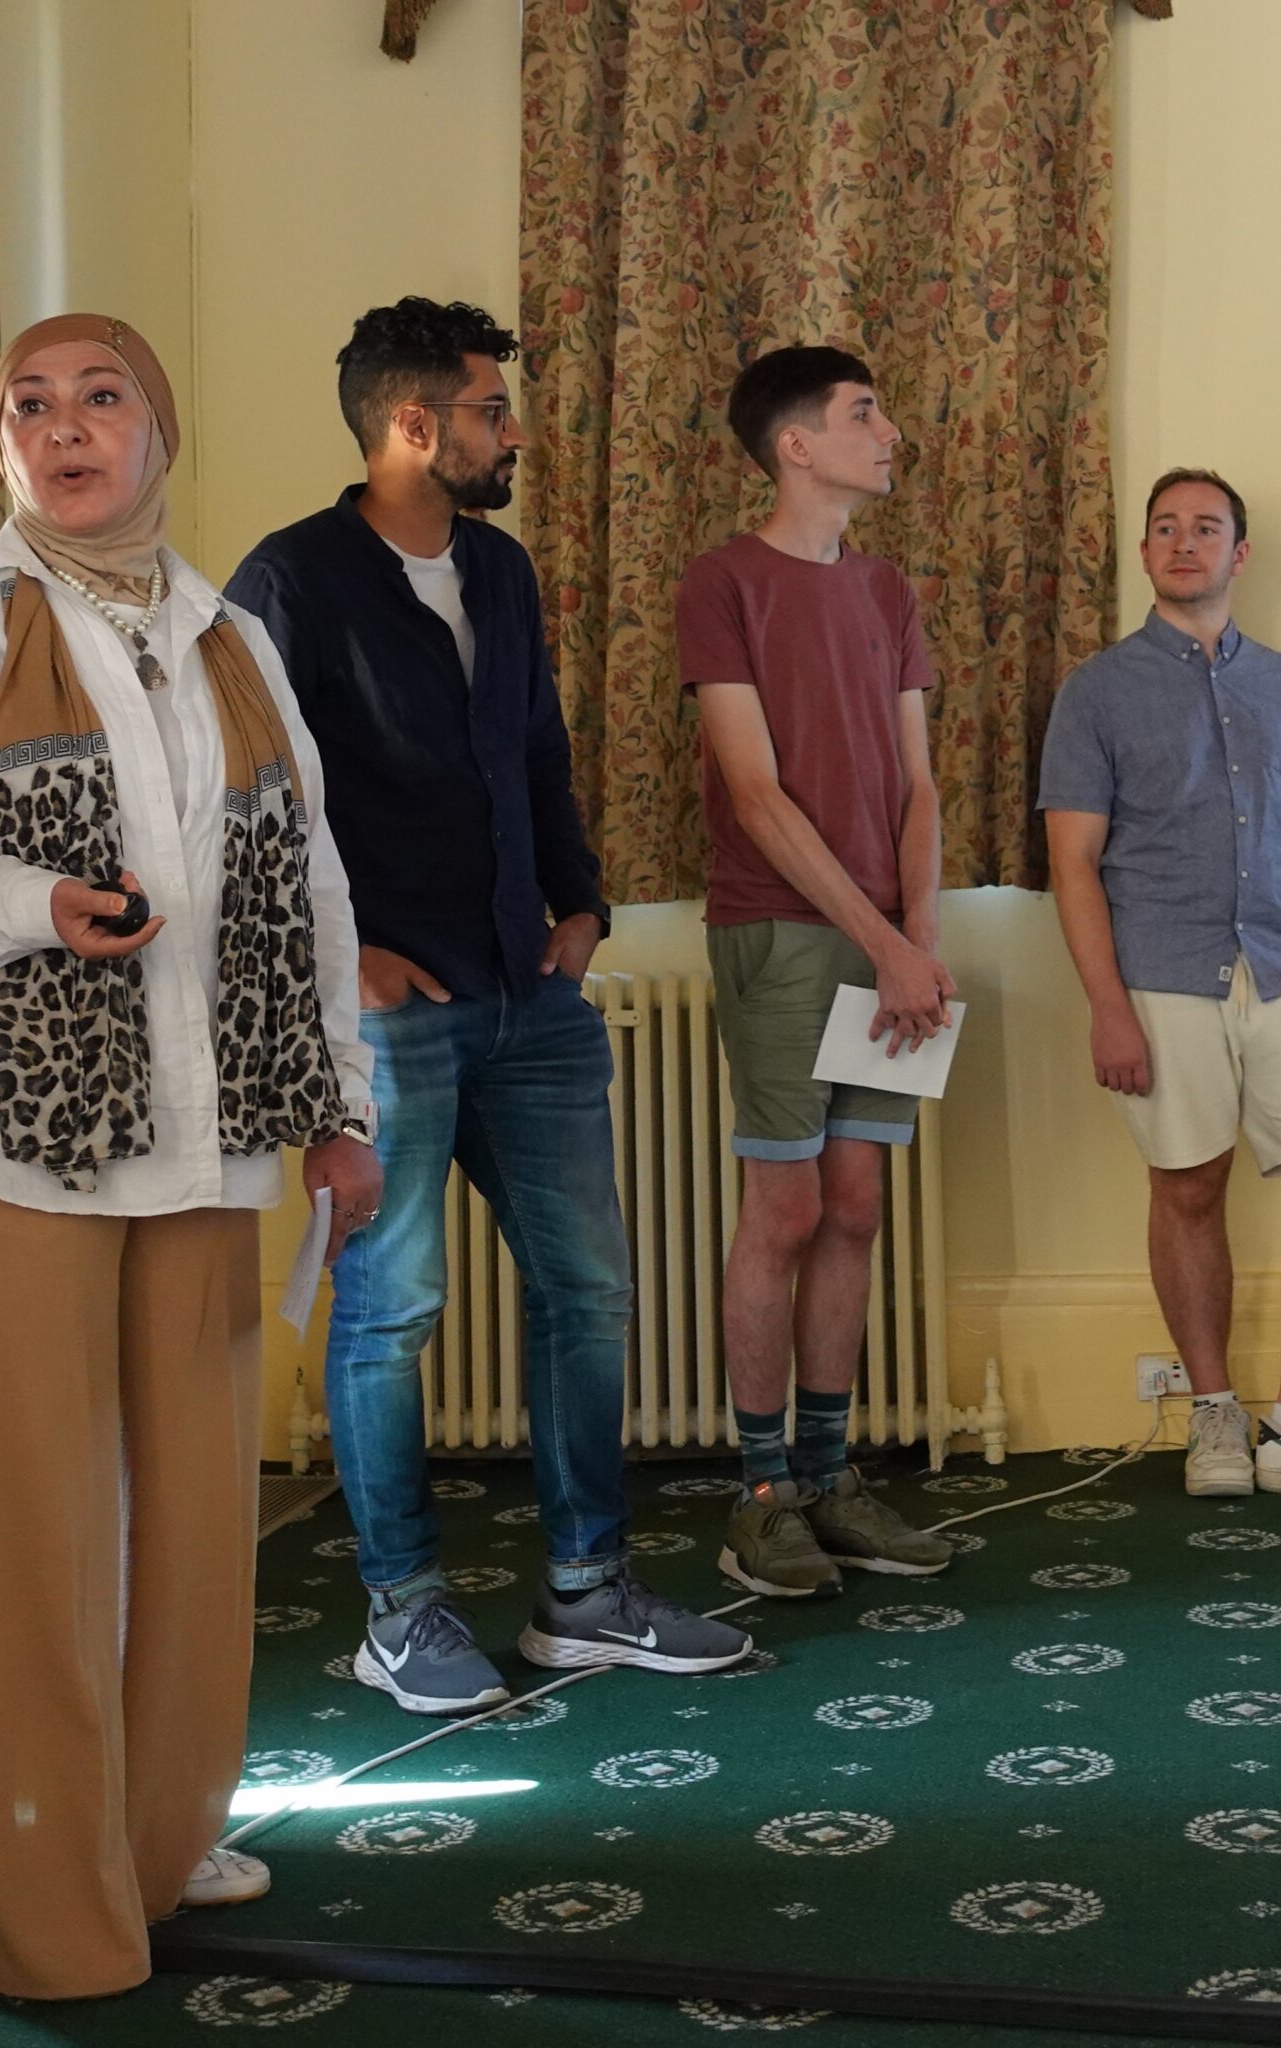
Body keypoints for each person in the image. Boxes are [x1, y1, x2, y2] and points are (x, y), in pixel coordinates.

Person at [0, 314, 384, 1999]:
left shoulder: (231, 642)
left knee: (196, 1521)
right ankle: (21, 1892)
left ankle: (150, 1829)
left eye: (100, 395)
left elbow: (315, 883)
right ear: (2, 447)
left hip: (205, 1141)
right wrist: (25, 909)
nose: (65, 428)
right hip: (12, 1144)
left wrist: (338, 1102)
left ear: (163, 426)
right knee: (18, 1526)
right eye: (28, 406)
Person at [228, 297, 749, 1715]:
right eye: (489, 411)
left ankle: (586, 1593)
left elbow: (538, 751)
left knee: (591, 1291)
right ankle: (402, 1612)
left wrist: (580, 911)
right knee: (390, 1309)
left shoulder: (502, 571)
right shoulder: (289, 581)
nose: (512, 432)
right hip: (389, 1012)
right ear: (412, 424)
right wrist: (351, 969)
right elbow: (252, 803)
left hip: (534, 995)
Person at [1040, 468, 1281, 1498]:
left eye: (1204, 527)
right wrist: (1107, 1007)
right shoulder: (1096, 690)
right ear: (1142, 554)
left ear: (1238, 553)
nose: (1183, 543)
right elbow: (1072, 863)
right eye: (1163, 528)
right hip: (1163, 974)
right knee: (1187, 1188)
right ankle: (1214, 1417)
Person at [675, 344, 959, 1600]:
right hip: (780, 930)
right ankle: (758, 1494)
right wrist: (882, 939)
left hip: (891, 943)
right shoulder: (723, 580)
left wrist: (920, 937)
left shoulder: (888, 589)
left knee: (856, 1205)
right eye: (863, 412)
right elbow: (751, 790)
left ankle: (833, 1479)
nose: (889, 430)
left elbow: (918, 783)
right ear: (795, 444)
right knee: (783, 1210)